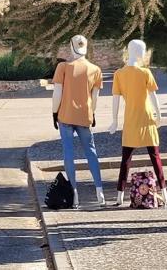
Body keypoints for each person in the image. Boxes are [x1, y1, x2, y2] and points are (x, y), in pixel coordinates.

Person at [109, 39, 167, 206]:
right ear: (137, 52)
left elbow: (116, 99)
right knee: (155, 156)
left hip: (131, 120)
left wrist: (114, 121)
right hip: (146, 118)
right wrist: (159, 114)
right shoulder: (145, 73)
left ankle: (119, 195)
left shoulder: (119, 74)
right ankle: (164, 192)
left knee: (126, 159)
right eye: (142, 50)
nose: (144, 54)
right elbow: (153, 96)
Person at [52, 35, 105, 208]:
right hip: (85, 116)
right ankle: (100, 192)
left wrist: (54, 112)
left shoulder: (63, 67)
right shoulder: (95, 70)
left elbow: (57, 93)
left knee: (68, 154)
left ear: (71, 46)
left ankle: (74, 194)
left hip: (65, 116)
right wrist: (92, 113)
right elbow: (95, 97)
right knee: (91, 152)